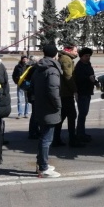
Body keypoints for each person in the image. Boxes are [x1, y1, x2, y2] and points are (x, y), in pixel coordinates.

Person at [31, 44, 62, 178]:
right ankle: (43, 167)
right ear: (55, 55)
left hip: (40, 105)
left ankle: (41, 163)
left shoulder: (38, 67)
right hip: (49, 108)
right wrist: (58, 105)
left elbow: (31, 86)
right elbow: (53, 90)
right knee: (46, 139)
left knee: (43, 136)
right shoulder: (52, 70)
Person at [53, 45, 84, 148]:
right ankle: (72, 140)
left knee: (62, 117)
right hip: (66, 94)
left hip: (64, 93)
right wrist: (75, 90)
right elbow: (68, 76)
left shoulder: (65, 58)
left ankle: (56, 139)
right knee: (71, 116)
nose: (77, 52)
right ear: (69, 50)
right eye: (75, 51)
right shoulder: (66, 59)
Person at [74, 47, 99, 142]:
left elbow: (91, 76)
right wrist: (89, 79)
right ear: (81, 56)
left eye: (89, 56)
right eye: (86, 56)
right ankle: (80, 134)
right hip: (82, 92)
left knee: (84, 113)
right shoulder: (79, 66)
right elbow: (79, 79)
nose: (88, 57)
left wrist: (96, 82)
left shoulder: (88, 65)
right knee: (82, 113)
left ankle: (81, 132)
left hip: (87, 91)